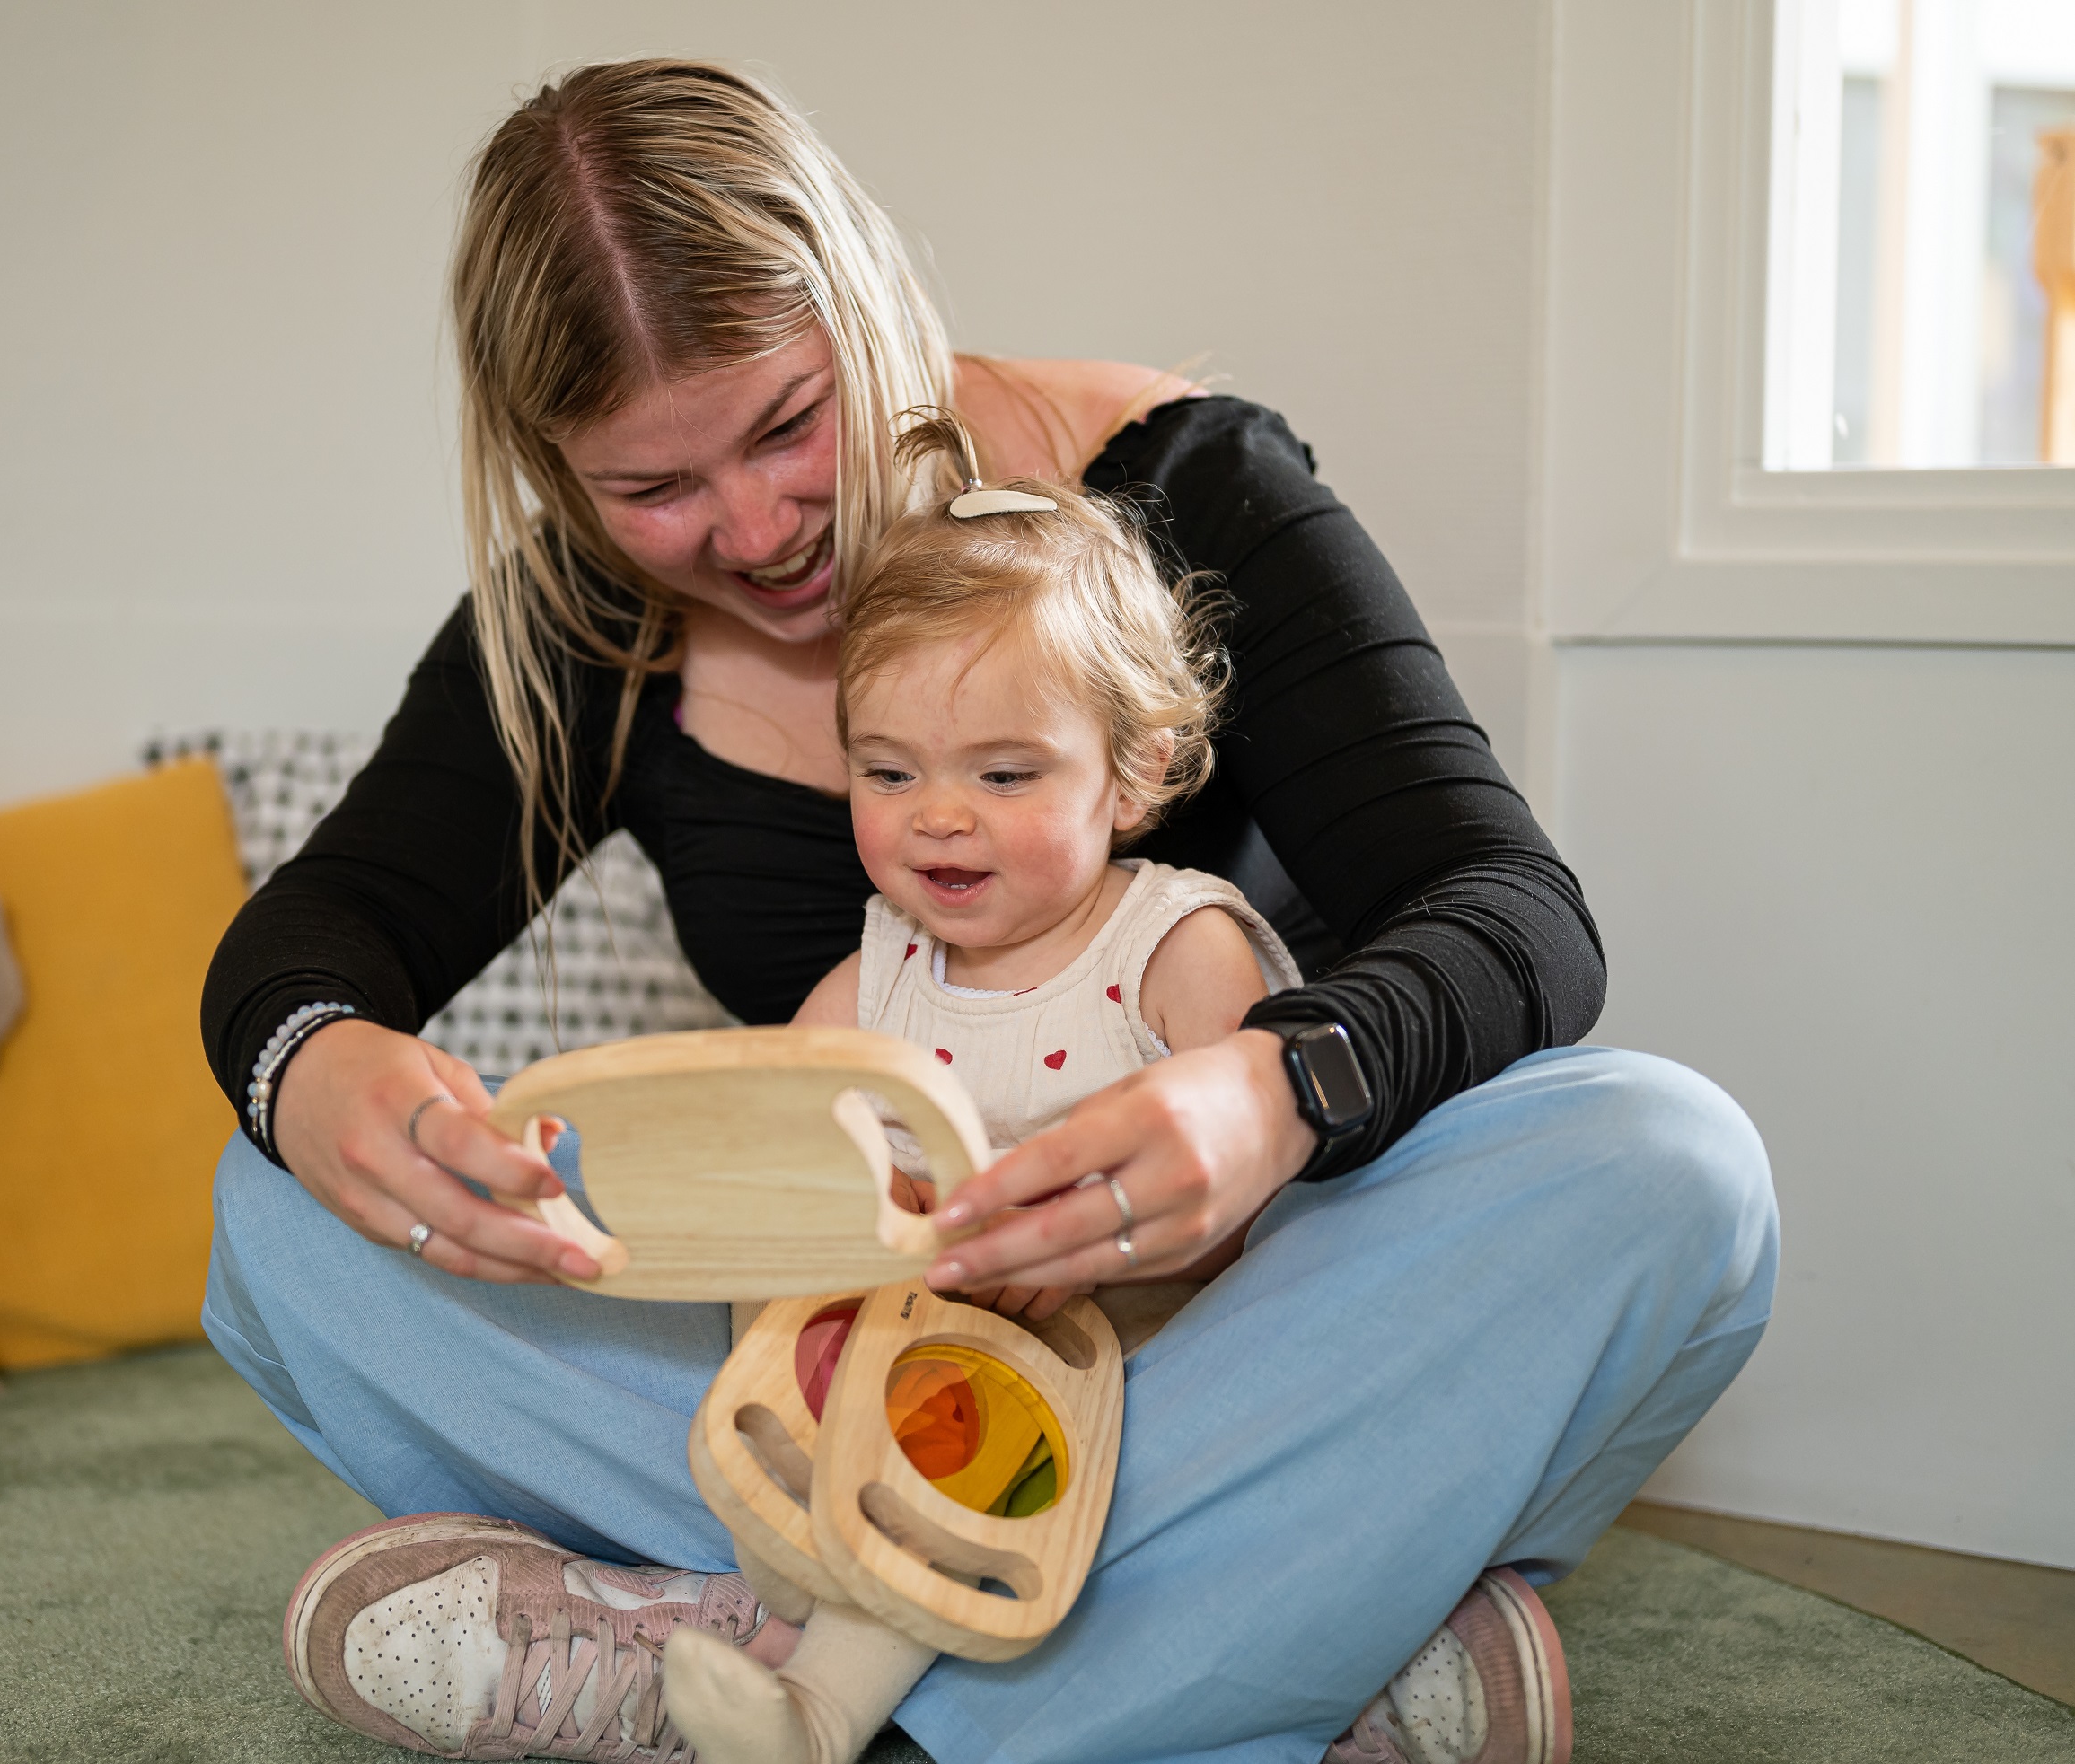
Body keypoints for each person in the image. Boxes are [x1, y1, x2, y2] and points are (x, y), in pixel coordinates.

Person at [199, 57, 1778, 1764]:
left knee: (1668, 1164)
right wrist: (317, 1058)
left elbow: (1514, 914)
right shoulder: (587, 624)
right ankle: (1294, 1631)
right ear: (553, 471)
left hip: (1226, 1323)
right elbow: (328, 924)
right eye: (652, 491)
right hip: (856, 1355)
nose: (748, 528)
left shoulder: (1185, 487)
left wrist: (1271, 1088)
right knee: (275, 1207)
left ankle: (774, 1661)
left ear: (871, 300)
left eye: (785, 423)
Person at [659, 410, 1305, 1764]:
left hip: (1108, 1379)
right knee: (757, 1268)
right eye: (886, 772)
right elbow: (773, 1138)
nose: (934, 815)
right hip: (900, 1360)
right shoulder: (880, 969)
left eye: (1002, 774)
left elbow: (1262, 1210)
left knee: (960, 1453)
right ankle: (785, 1540)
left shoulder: (1174, 947)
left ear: (1133, 772)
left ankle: (813, 1706)